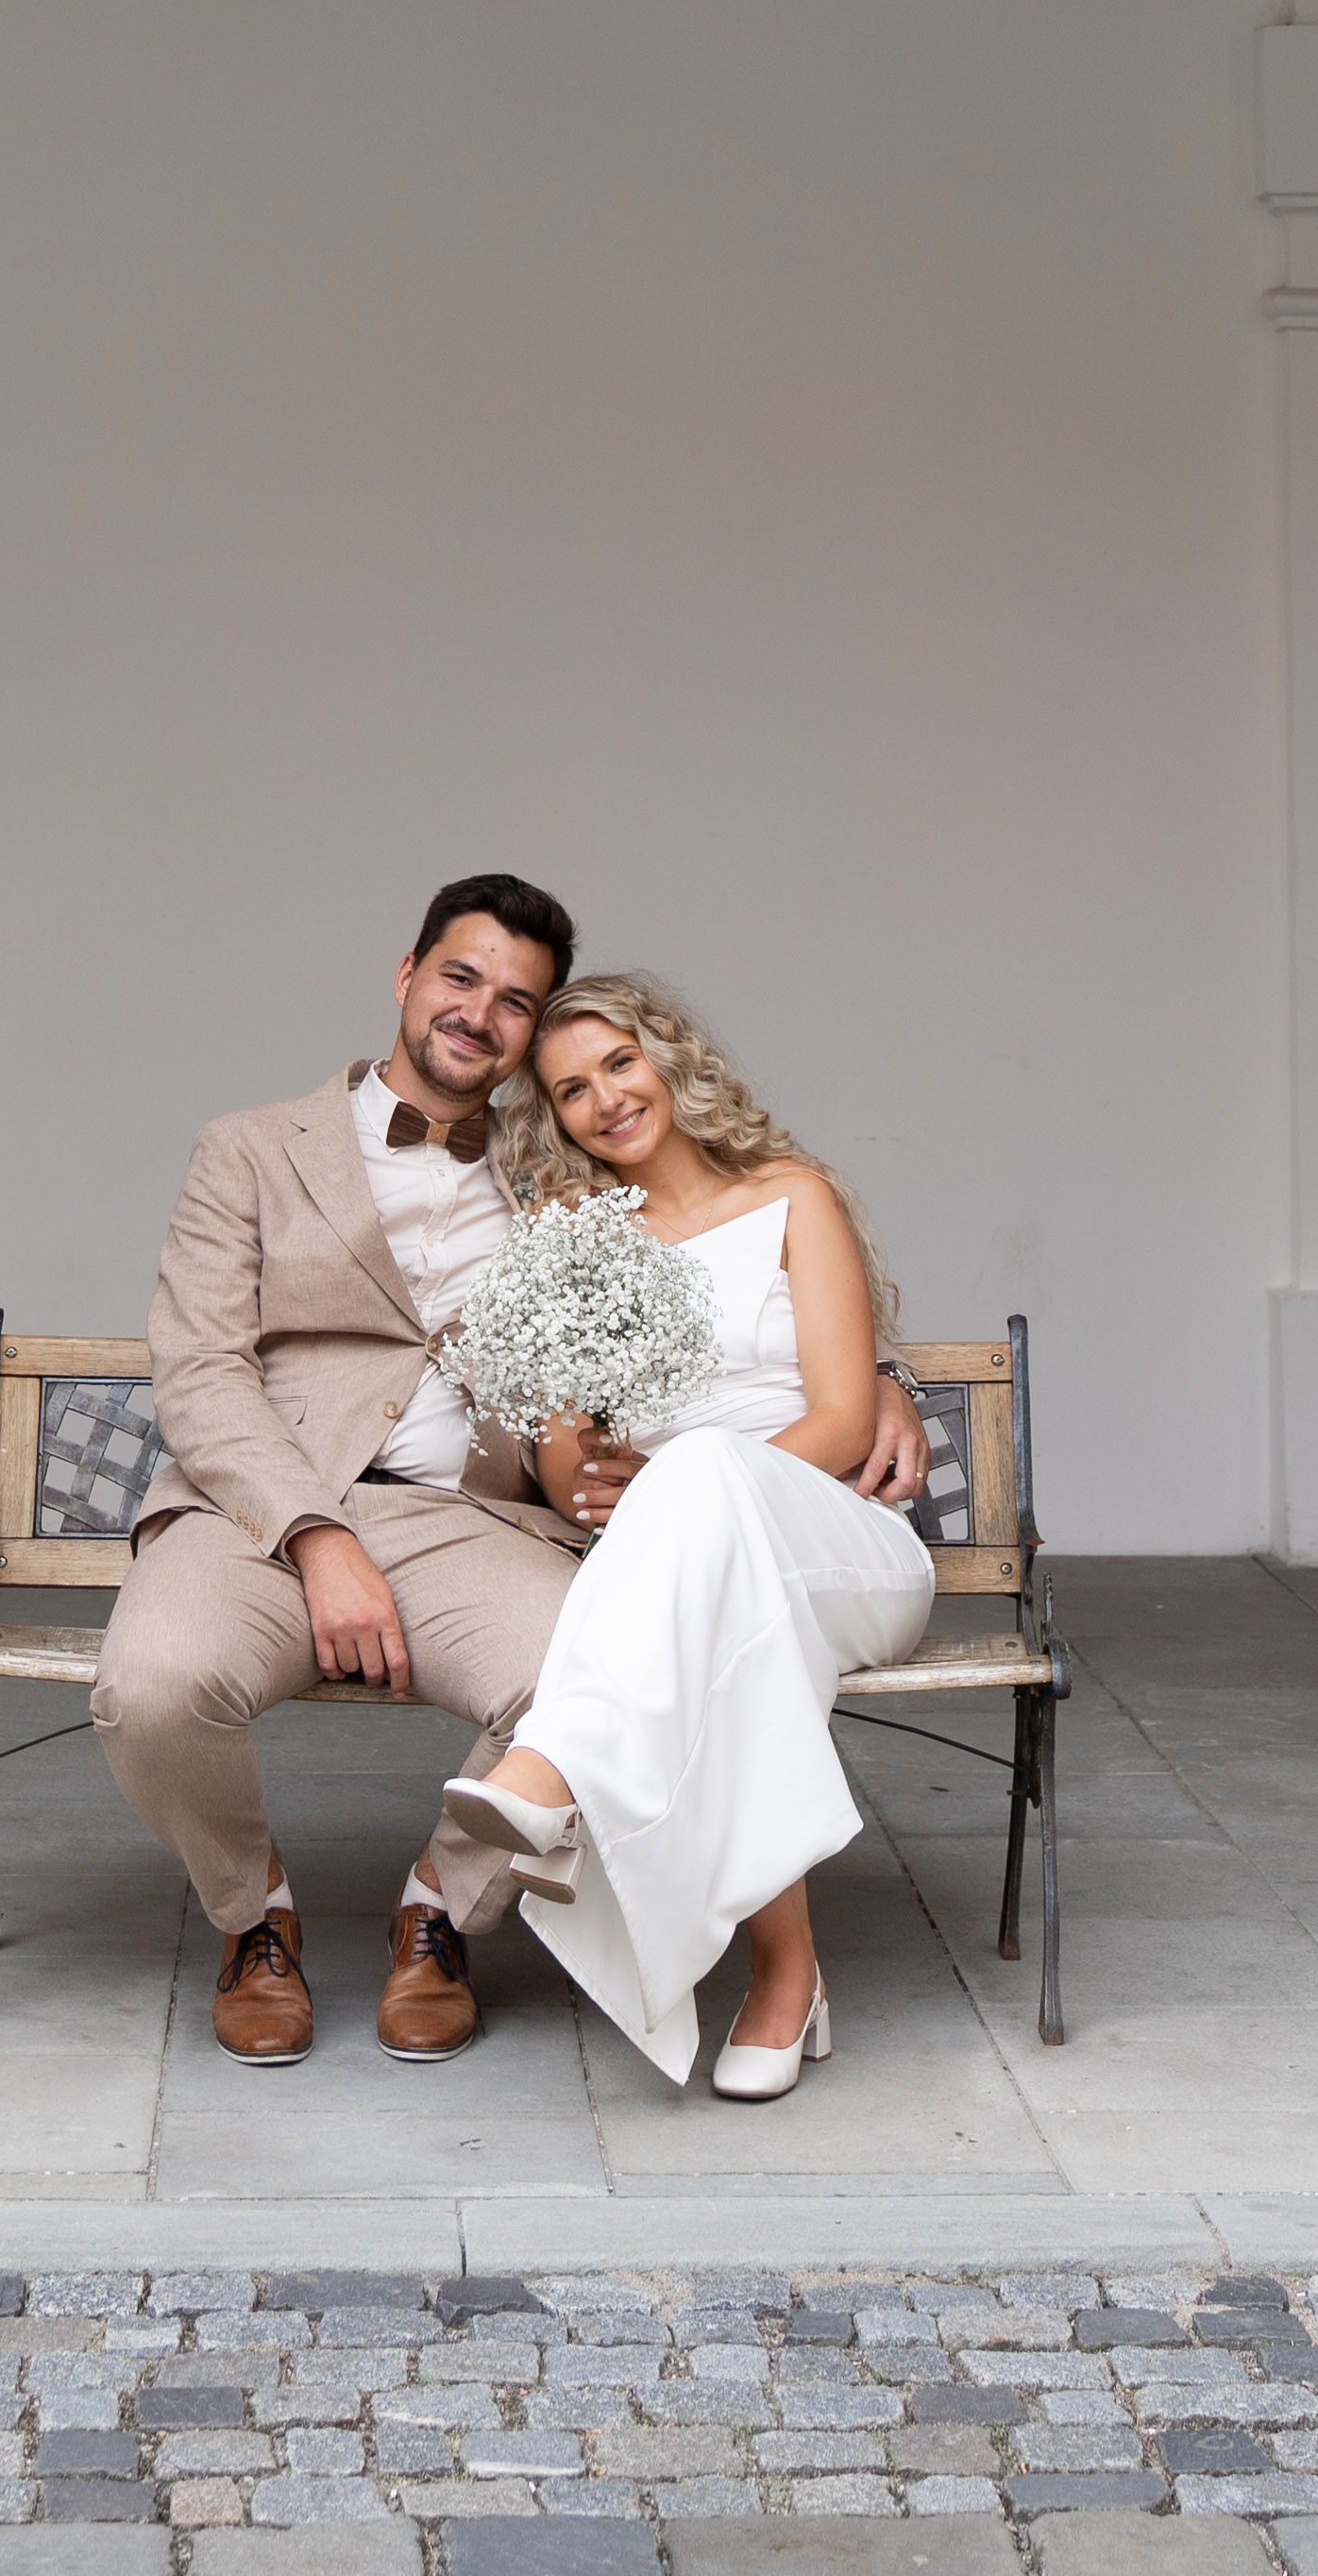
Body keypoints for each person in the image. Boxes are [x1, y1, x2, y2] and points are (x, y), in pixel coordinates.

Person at [96, 883, 928, 2067]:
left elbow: (730, 1274)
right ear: (407, 976)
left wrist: (881, 1377)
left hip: (470, 1522)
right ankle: (253, 1917)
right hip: (263, 1510)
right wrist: (316, 1536)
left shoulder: (558, 1185)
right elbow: (200, 1368)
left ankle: (440, 1911)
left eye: (515, 1002)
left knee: (593, 1673)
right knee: (152, 1687)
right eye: (460, 978)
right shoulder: (250, 1149)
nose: (478, 1014)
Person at [438, 971, 932, 2099]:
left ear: (669, 1060)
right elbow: (569, 1475)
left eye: (620, 1063)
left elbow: (844, 1420)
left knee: (706, 1472)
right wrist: (595, 1456)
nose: (605, 1099)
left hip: (836, 1539)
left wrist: (684, 1484)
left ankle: (558, 1763)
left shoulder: (792, 1196)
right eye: (571, 1090)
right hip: (696, 1571)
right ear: (554, 1119)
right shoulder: (574, 1244)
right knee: (723, 1615)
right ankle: (785, 1969)